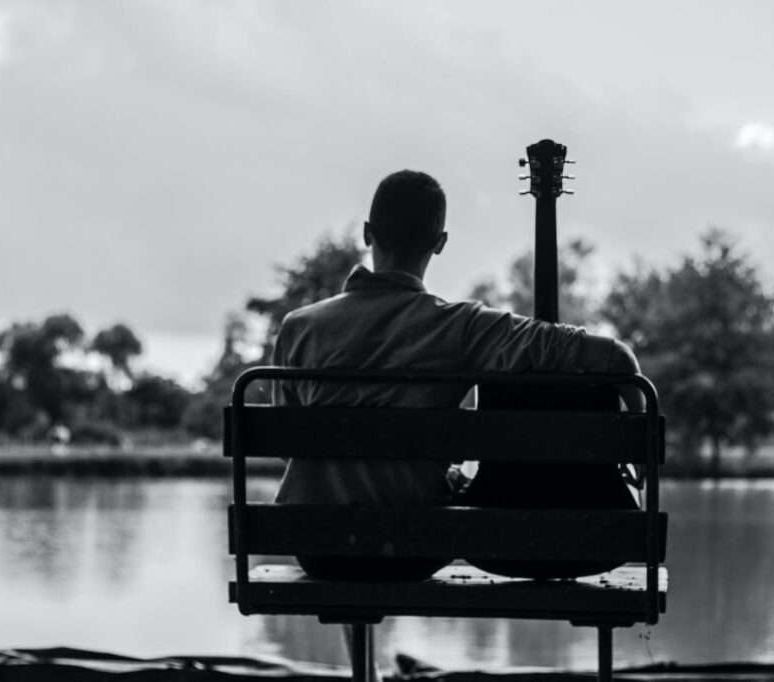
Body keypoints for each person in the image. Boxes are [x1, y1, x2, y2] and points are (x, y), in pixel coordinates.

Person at [272, 169, 643, 581]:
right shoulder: (461, 326)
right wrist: (638, 447)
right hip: (416, 547)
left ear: (366, 233)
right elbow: (615, 359)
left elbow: (290, 446)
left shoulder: (298, 327)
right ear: (440, 243)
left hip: (315, 544)